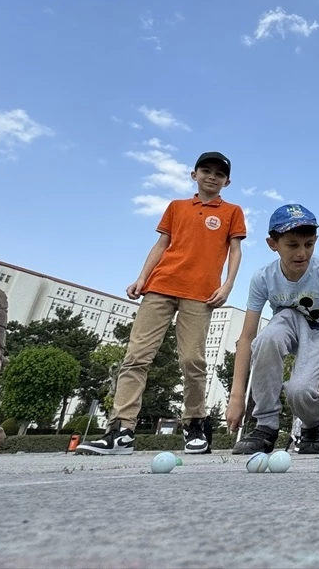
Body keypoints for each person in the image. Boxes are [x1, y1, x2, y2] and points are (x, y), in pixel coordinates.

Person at [78, 152, 245, 456]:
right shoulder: (177, 207)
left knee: (192, 359)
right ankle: (121, 430)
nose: (211, 177)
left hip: (200, 293)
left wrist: (227, 284)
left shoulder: (231, 212)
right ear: (194, 174)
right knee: (137, 356)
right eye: (205, 171)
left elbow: (235, 250)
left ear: (227, 181)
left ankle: (194, 423)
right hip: (161, 286)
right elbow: (161, 245)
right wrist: (142, 278)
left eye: (219, 174)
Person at [227, 204, 319, 454]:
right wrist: (237, 397)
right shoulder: (263, 277)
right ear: (272, 243)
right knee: (267, 338)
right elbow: (247, 337)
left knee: (299, 390)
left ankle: (313, 426)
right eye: (292, 245)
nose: (302, 253)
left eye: (308, 244)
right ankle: (265, 425)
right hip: (289, 325)